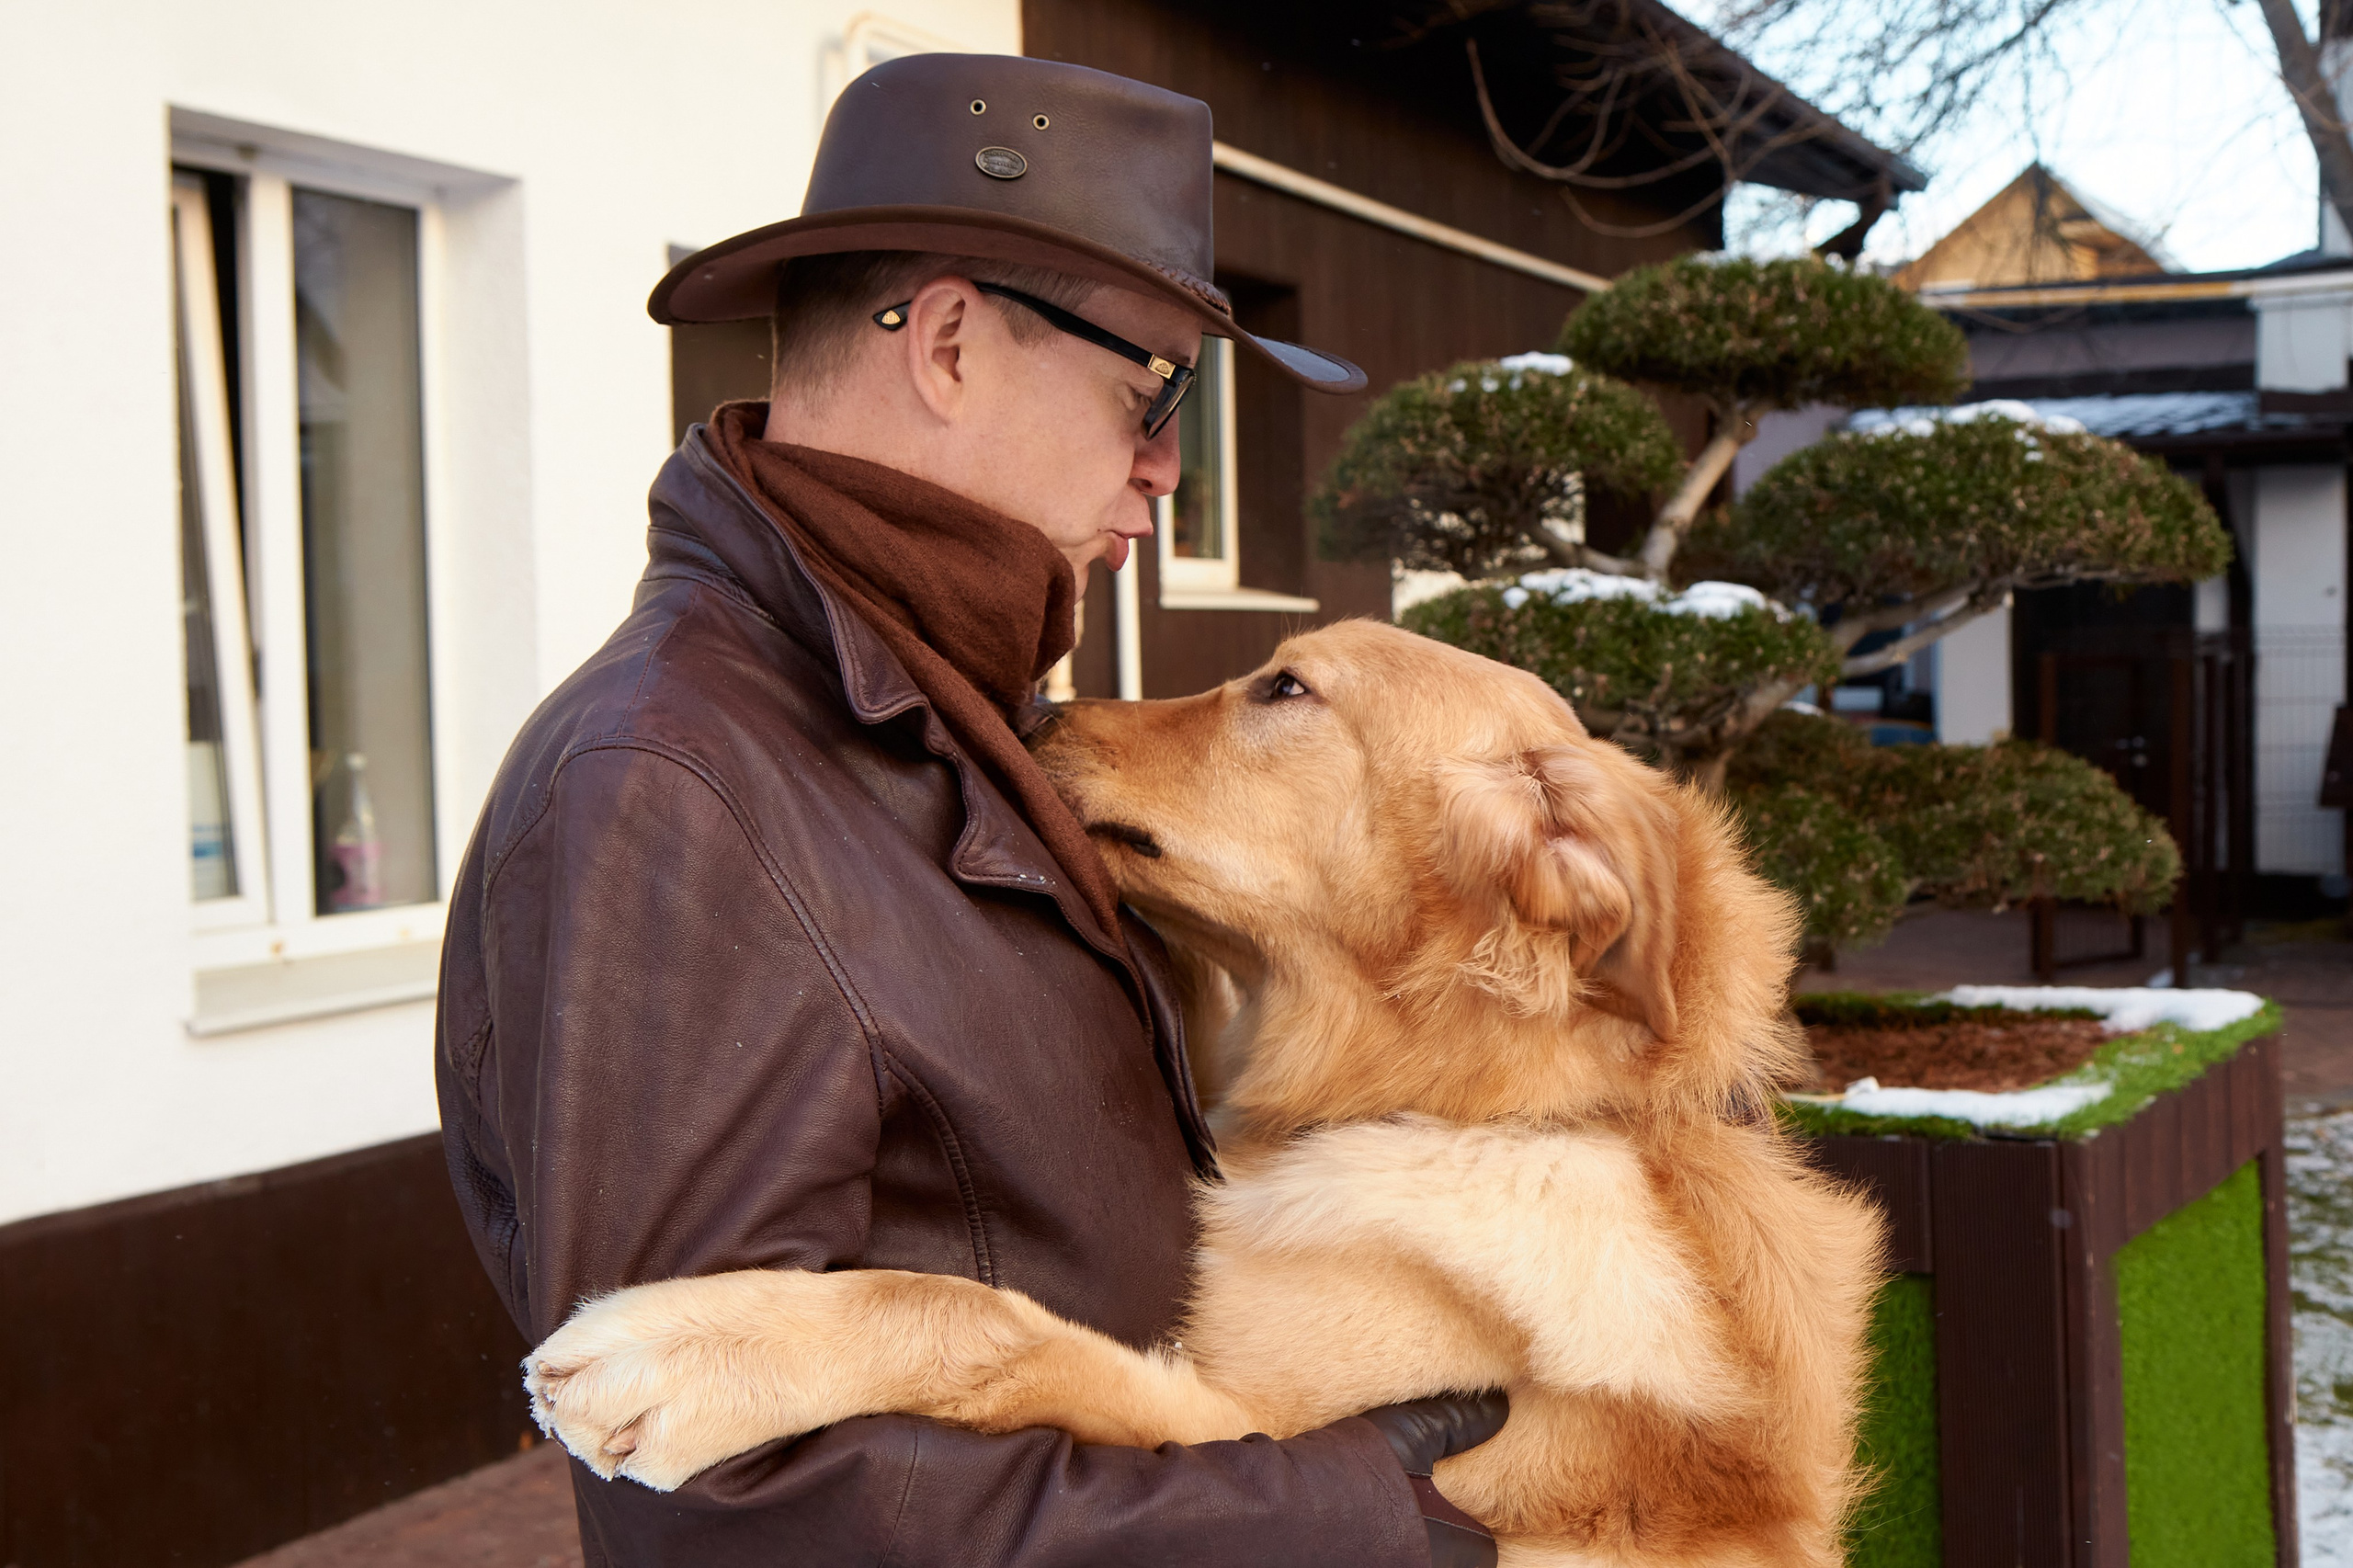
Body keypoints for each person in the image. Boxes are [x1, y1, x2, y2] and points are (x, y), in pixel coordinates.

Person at [434, 52, 1505, 1566]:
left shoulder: (951, 708)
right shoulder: (668, 788)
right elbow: (727, 1515)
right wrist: (1335, 1511)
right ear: (946, 345)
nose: (1167, 469)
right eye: (1153, 390)